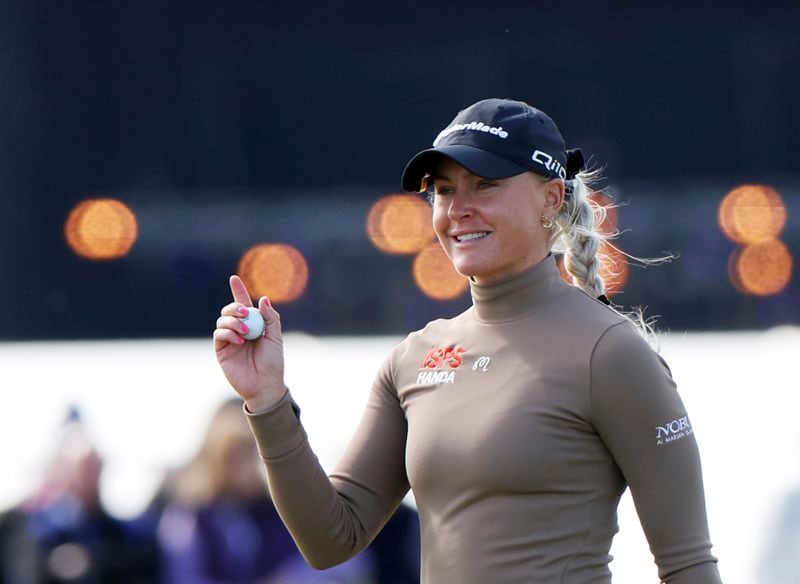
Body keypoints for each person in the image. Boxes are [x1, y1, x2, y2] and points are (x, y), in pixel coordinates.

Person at [213, 98, 723, 583]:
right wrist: (267, 400)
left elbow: (688, 567)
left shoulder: (609, 351)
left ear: (551, 198)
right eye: (443, 189)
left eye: (484, 185)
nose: (457, 208)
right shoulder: (413, 360)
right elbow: (331, 539)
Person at [156, 397, 374, 583]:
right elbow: (186, 578)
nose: (251, 464)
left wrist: (290, 578)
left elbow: (349, 563)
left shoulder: (285, 509)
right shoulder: (191, 517)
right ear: (216, 454)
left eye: (256, 450)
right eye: (236, 453)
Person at [0, 406, 159, 584]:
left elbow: (140, 562)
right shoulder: (35, 526)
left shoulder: (116, 531)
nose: (90, 478)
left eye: (93, 469)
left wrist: (94, 562)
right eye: (82, 470)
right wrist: (52, 566)